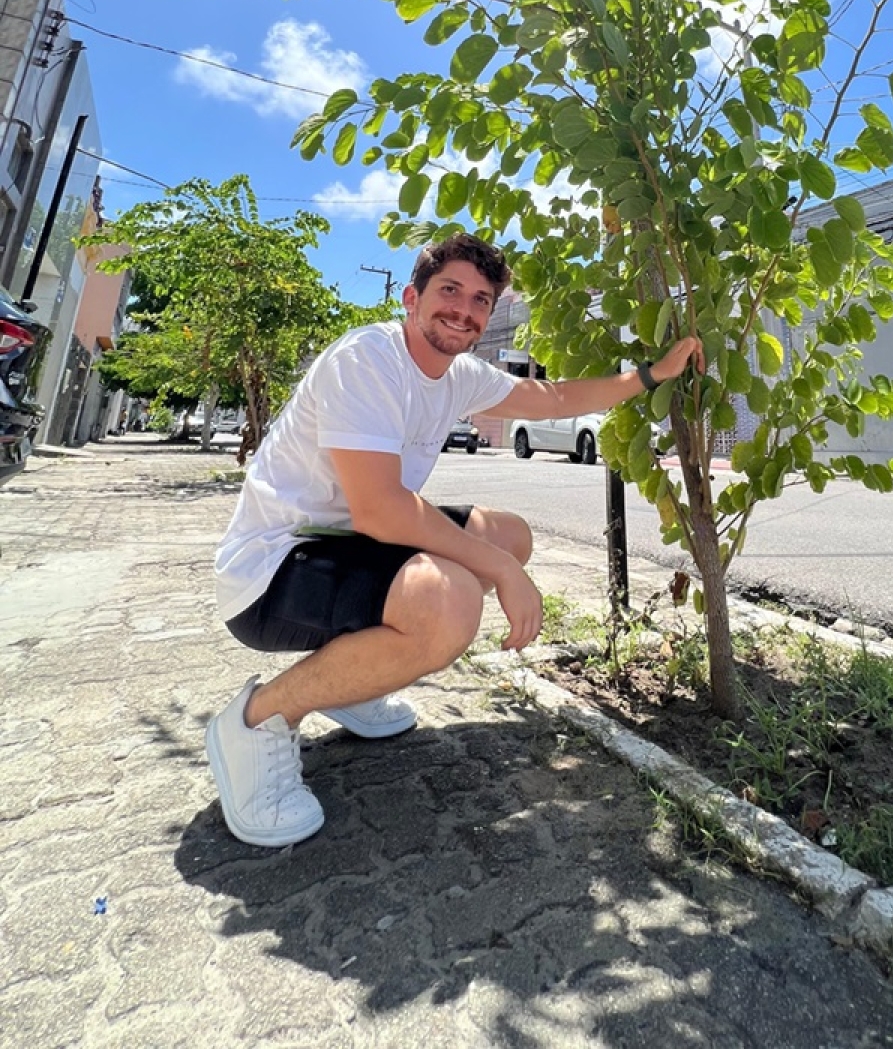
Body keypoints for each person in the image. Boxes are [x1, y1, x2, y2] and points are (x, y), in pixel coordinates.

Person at [205, 232, 703, 847]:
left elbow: (554, 397)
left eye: (480, 300)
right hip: (272, 570)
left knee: (509, 535)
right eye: (449, 291)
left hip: (345, 542)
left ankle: (355, 682)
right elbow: (384, 510)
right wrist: (499, 571)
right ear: (411, 297)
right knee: (451, 602)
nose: (463, 310)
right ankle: (257, 722)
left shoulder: (459, 375)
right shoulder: (367, 360)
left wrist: (652, 375)